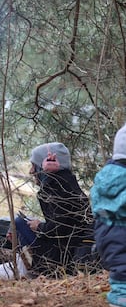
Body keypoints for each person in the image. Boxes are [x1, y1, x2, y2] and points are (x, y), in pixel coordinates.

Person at [7, 142, 93, 278]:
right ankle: (35, 269)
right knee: (20, 225)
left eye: (34, 166)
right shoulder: (67, 183)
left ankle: (43, 272)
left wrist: (39, 226)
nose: (31, 171)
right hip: (67, 249)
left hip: (63, 255)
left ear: (45, 165)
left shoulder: (55, 189)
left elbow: (61, 229)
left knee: (19, 223)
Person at [91, 124, 126, 307]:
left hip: (106, 235)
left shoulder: (105, 176)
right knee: (124, 279)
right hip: (122, 236)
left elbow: (95, 204)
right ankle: (120, 302)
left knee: (120, 273)